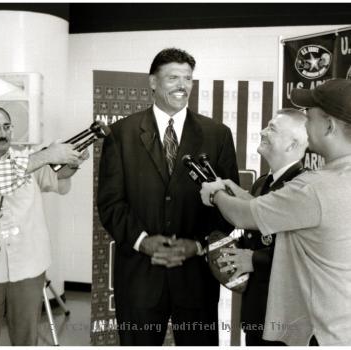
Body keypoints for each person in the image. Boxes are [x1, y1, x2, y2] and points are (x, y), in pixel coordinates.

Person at [97, 48, 239, 345]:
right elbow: (111, 203)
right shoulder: (121, 134)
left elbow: (230, 205)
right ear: (152, 82)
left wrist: (199, 245)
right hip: (139, 278)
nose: (182, 85)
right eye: (173, 77)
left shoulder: (218, 134)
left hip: (196, 279)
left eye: (188, 78)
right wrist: (142, 241)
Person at [200, 78, 351, 346]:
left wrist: (215, 194)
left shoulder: (313, 187)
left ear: (329, 126)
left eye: (310, 117)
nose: (306, 123)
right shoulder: (327, 183)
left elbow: (243, 216)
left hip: (320, 333)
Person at [0, 105, 88, 346]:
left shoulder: (25, 159)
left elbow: (56, 178)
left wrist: (72, 161)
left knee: (25, 336)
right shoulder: (26, 161)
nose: (3, 133)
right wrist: (47, 155)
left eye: (7, 127)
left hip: (28, 264)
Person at [217, 108, 308, 346]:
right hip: (257, 312)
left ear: (291, 145)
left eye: (272, 128)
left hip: (286, 319)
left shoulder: (302, 187)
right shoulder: (261, 184)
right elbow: (256, 237)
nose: (262, 131)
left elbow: (303, 252)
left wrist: (255, 259)